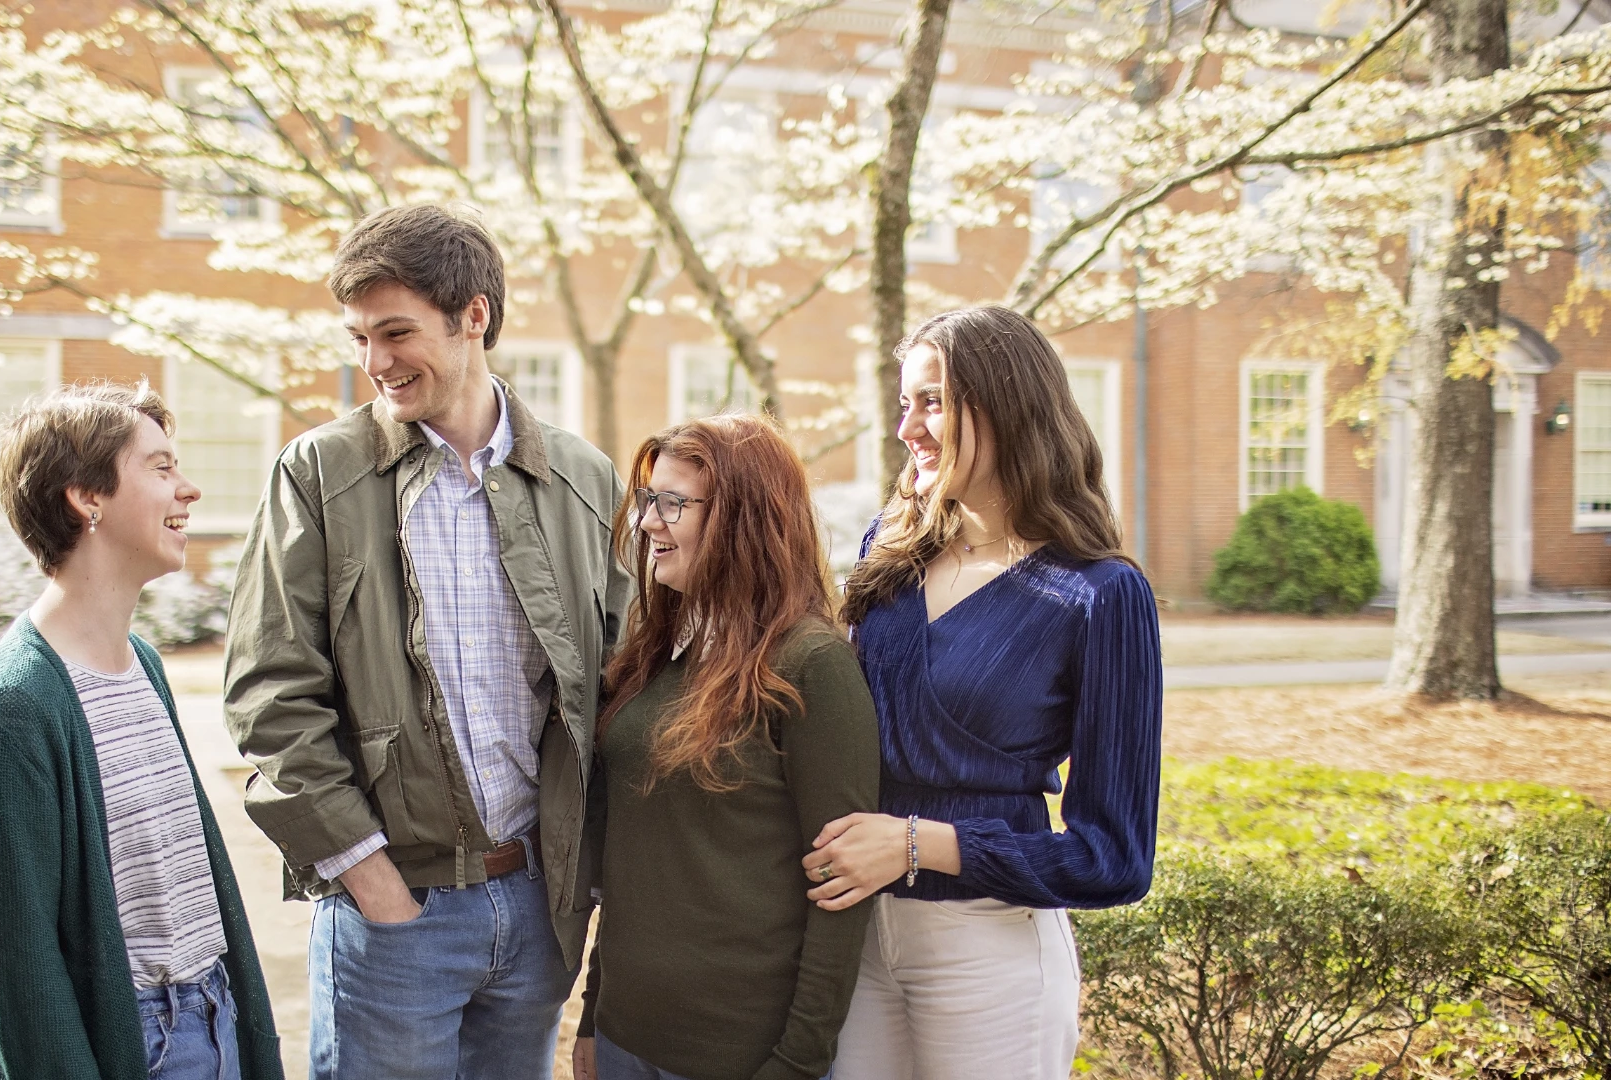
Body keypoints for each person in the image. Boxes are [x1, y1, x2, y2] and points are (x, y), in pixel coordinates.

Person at [223, 203, 632, 1080]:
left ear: (473, 315)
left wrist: (584, 883)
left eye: (396, 332)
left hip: (537, 911)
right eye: (360, 337)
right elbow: (270, 691)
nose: (375, 363)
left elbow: (619, 689)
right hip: (393, 911)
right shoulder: (318, 474)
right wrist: (373, 884)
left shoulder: (582, 479)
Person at [806, 305, 1163, 1080]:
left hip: (991, 949)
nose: (909, 428)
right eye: (905, 404)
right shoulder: (887, 553)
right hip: (858, 943)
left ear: (1006, 403)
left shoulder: (1099, 594)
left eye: (932, 401)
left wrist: (915, 843)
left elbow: (1115, 858)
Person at [0, 382, 283, 1080]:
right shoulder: (18, 706)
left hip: (213, 1017)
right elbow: (21, 962)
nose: (187, 489)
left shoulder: (143, 664)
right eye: (161, 468)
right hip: (135, 1043)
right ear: (88, 497)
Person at [571, 414, 881, 1080]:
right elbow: (635, 857)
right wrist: (596, 1013)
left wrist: (798, 1062)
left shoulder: (811, 665)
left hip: (740, 1056)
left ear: (745, 518)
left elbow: (842, 889)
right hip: (627, 1040)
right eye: (649, 501)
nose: (650, 522)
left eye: (673, 503)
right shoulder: (653, 654)